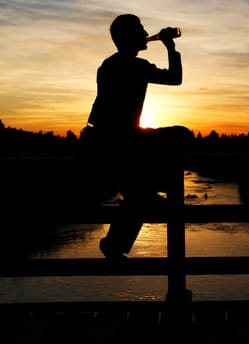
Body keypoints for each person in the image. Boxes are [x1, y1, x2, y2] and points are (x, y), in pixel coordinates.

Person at [83, 14, 193, 259]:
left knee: (139, 193)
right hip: (120, 140)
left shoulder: (108, 64)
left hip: (106, 140)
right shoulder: (135, 66)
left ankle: (116, 240)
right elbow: (175, 78)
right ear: (129, 37)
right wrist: (170, 46)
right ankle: (156, 187)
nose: (145, 33)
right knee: (181, 136)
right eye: (140, 29)